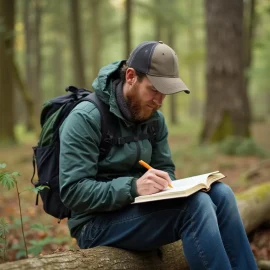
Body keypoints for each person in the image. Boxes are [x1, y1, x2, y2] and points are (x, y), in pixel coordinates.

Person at [59, 41, 257, 269]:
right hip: (94, 224)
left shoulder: (155, 120)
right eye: (154, 90)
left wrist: (168, 185)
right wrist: (133, 187)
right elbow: (73, 191)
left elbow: (165, 169)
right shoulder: (86, 118)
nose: (159, 101)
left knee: (221, 193)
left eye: (165, 93)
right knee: (196, 206)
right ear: (131, 76)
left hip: (140, 212)